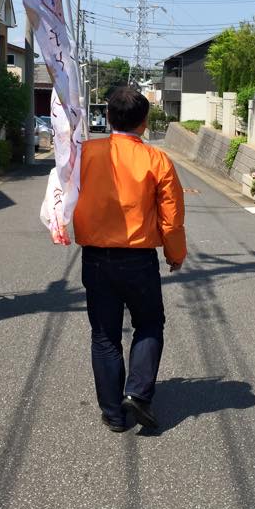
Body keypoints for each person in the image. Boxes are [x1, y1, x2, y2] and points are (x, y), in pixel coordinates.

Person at [73, 87, 186, 433]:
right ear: (144, 122)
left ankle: (113, 413)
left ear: (108, 117)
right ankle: (137, 393)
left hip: (95, 256)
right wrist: (175, 253)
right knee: (149, 323)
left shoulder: (85, 153)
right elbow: (172, 214)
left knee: (104, 335)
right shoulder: (157, 160)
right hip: (139, 258)